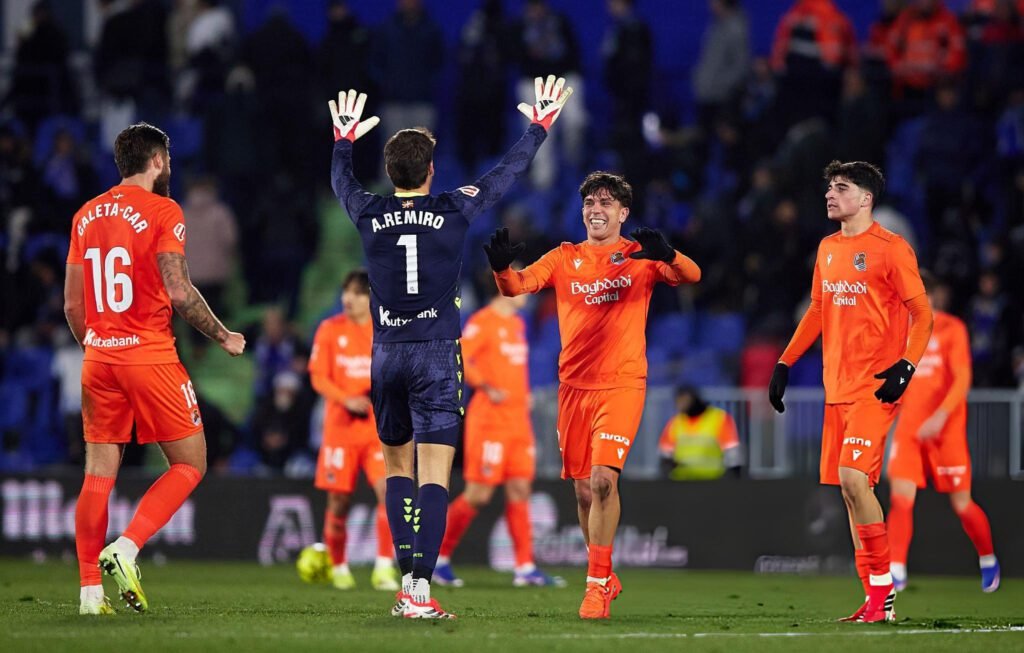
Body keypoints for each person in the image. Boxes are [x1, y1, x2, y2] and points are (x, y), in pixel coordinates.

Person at [328, 75, 572, 619]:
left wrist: (342, 139)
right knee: (436, 474)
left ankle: (405, 579)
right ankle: (417, 589)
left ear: (390, 174)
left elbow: (340, 182)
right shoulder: (453, 209)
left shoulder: (368, 212)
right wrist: (539, 127)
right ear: (431, 171)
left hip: (387, 352)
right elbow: (505, 175)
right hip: (437, 353)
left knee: (397, 469)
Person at [485, 171, 702, 619]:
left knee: (604, 479)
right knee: (584, 492)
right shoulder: (565, 257)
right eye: (589, 202)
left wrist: (669, 254)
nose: (596, 209)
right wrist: (502, 268)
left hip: (622, 383)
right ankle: (603, 571)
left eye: (606, 202)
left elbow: (691, 275)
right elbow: (516, 287)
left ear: (623, 213)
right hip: (574, 389)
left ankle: (596, 586)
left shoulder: (638, 256)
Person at [64, 122, 245, 615]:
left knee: (98, 474)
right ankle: (126, 548)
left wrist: (99, 347)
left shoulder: (85, 215)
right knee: (190, 463)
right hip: (150, 356)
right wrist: (224, 336)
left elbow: (73, 307)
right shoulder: (164, 210)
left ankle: (88, 594)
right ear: (157, 160)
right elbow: (180, 292)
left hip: (98, 358)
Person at [768, 160, 933, 624]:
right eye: (828, 188)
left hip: (875, 386)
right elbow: (818, 311)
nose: (829, 195)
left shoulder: (892, 249)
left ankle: (883, 594)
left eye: (841, 188)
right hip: (835, 387)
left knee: (854, 480)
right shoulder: (827, 248)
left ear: (866, 199)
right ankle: (873, 598)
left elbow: (923, 315)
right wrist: (785, 362)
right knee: (848, 491)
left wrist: (906, 365)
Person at [433, 279, 563, 588]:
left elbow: (512, 369)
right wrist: (486, 386)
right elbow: (459, 356)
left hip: (518, 421)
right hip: (489, 421)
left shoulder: (518, 324)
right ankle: (437, 558)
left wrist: (524, 394)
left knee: (520, 490)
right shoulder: (483, 321)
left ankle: (525, 567)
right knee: (478, 494)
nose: (526, 291)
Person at [886, 271, 1000, 592]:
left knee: (962, 503)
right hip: (909, 430)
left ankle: (988, 558)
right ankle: (897, 570)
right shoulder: (901, 333)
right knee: (901, 500)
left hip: (945, 430)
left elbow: (962, 379)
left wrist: (940, 417)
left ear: (935, 296)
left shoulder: (952, 329)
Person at [308, 269, 399, 591]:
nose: (350, 298)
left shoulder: (383, 331)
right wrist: (346, 398)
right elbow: (318, 377)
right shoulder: (330, 330)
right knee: (339, 503)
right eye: (347, 291)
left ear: (371, 298)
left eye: (358, 293)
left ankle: (384, 568)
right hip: (340, 432)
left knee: (388, 494)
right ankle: (339, 566)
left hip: (378, 431)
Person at [658, 386, 742, 480]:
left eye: (684, 400)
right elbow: (665, 454)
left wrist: (732, 476)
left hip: (713, 480)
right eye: (679, 401)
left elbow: (732, 453)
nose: (681, 405)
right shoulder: (675, 422)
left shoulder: (719, 419)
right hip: (682, 481)